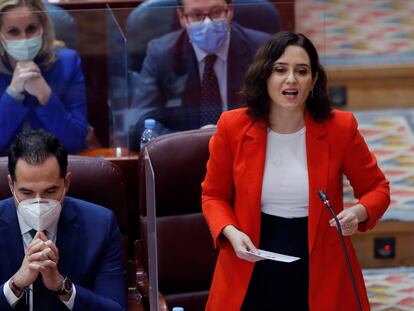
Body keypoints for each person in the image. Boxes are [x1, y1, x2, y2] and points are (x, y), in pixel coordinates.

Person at [201, 31, 390, 310]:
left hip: (321, 264)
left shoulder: (340, 128)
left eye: (301, 71)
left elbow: (378, 189)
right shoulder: (233, 126)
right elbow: (213, 195)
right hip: (250, 260)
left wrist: (357, 212)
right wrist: (230, 231)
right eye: (280, 70)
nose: (291, 79)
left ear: (313, 81)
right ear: (265, 76)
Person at [0, 130, 126, 310]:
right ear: (11, 185)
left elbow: (115, 308)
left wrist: (62, 286)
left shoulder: (101, 224)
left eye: (50, 192)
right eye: (27, 193)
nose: (38, 202)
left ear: (67, 183)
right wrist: (15, 284)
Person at [128, 0, 270, 149]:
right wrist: (190, 142)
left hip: (245, 150)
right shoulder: (161, 54)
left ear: (230, 11)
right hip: (185, 157)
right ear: (182, 17)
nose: (208, 23)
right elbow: (141, 123)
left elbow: (276, 115)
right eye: (196, 15)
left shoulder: (261, 50)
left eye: (216, 12)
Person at [0, 0, 88, 155]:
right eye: (14, 32)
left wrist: (46, 96)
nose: (24, 38)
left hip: (54, 169)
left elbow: (75, 141)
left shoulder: (67, 63)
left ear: (42, 27)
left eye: (31, 29)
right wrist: (13, 94)